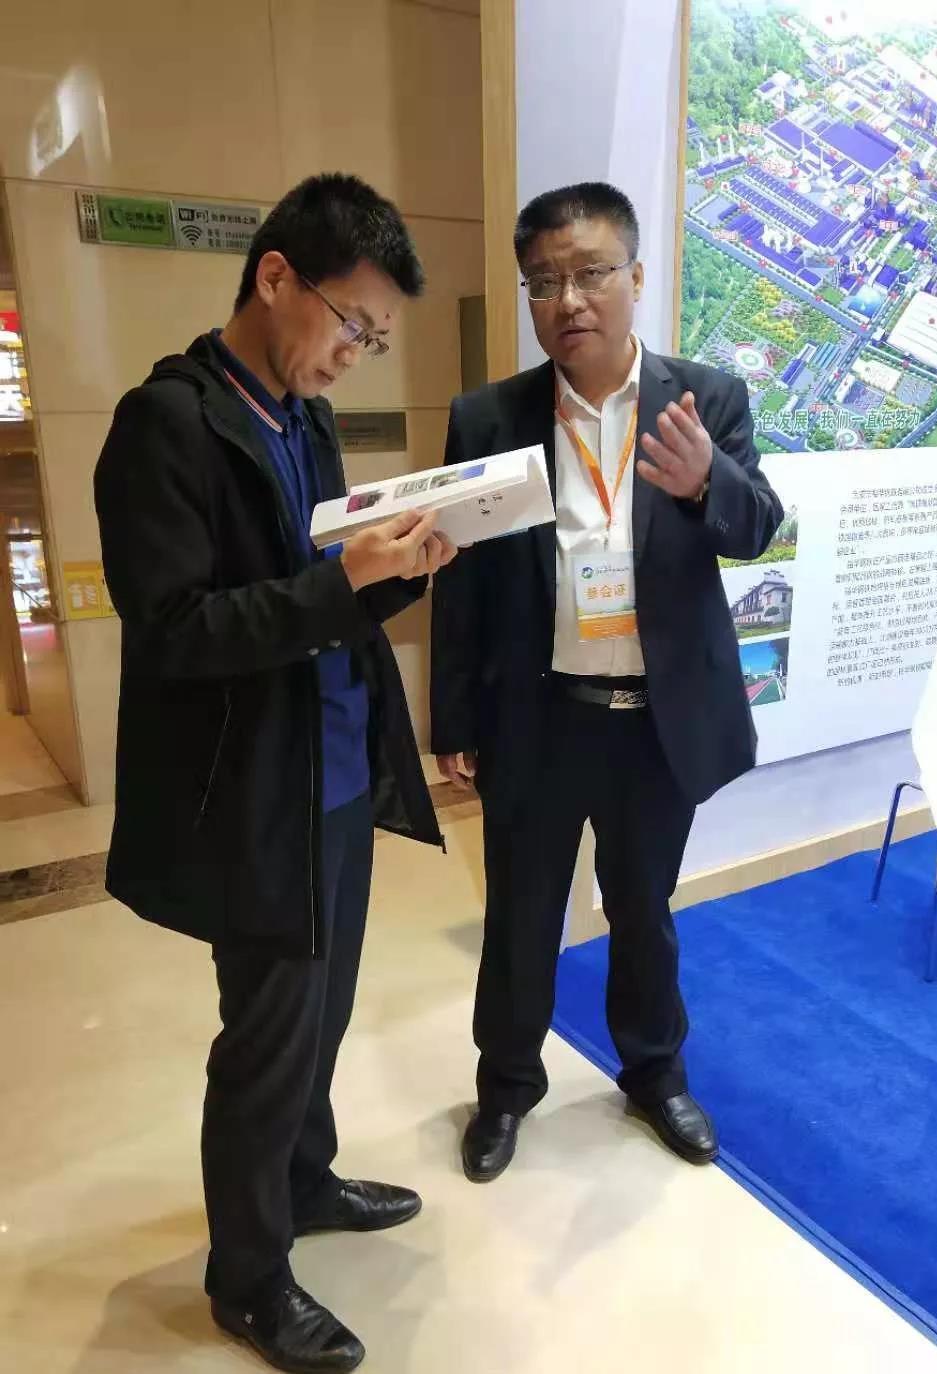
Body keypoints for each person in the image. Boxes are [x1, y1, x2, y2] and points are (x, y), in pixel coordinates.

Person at [95, 173, 456, 1373]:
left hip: (337, 776)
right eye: (351, 323)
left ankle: (305, 1180)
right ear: (275, 277)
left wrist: (404, 569)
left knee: (323, 1012)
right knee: (265, 1039)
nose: (354, 352)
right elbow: (173, 632)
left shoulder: (304, 419)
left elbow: (327, 592)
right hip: (256, 793)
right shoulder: (169, 424)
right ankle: (248, 1278)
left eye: (375, 338)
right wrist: (341, 585)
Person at [430, 182, 782, 1183]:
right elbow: (461, 578)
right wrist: (452, 716)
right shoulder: (488, 416)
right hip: (538, 716)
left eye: (590, 273)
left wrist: (707, 482)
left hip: (656, 723)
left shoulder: (705, 399)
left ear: (635, 275)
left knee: (644, 907)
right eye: (544, 282)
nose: (569, 300)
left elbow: (759, 527)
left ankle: (655, 1075)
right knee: (520, 916)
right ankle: (506, 1089)